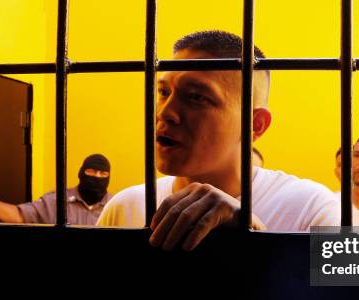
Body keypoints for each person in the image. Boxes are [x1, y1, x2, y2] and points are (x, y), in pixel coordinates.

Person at [97, 30, 340, 250]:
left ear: (255, 125)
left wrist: (254, 235)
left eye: (196, 97)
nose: (165, 112)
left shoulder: (312, 208)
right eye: (163, 92)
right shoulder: (127, 207)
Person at [0, 154, 112, 225]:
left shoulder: (116, 205)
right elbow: (18, 216)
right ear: (81, 173)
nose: (96, 177)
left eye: (103, 174)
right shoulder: (55, 202)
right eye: (90, 172)